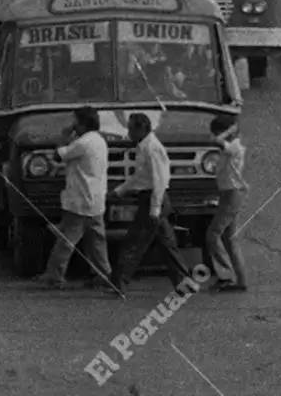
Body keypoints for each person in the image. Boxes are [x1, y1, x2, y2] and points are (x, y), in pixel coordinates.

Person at [112, 111, 192, 291]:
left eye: (131, 129)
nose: (128, 133)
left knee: (134, 242)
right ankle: (183, 282)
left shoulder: (152, 147)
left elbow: (160, 180)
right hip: (152, 199)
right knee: (167, 244)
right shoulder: (144, 146)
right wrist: (120, 191)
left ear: (142, 129)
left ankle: (119, 283)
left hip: (153, 199)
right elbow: (141, 175)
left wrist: (154, 209)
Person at [41, 106, 114, 290]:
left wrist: (63, 136)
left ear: (81, 124)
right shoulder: (99, 140)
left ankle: (54, 276)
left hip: (80, 201)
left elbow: (58, 155)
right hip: (96, 199)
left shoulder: (83, 143)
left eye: (75, 122)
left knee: (66, 241)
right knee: (96, 240)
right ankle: (103, 273)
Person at [204, 113, 248, 291]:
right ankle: (241, 280)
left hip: (232, 195)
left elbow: (216, 140)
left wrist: (230, 129)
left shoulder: (235, 147)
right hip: (228, 194)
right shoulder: (230, 147)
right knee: (229, 240)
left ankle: (226, 275)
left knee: (213, 234)